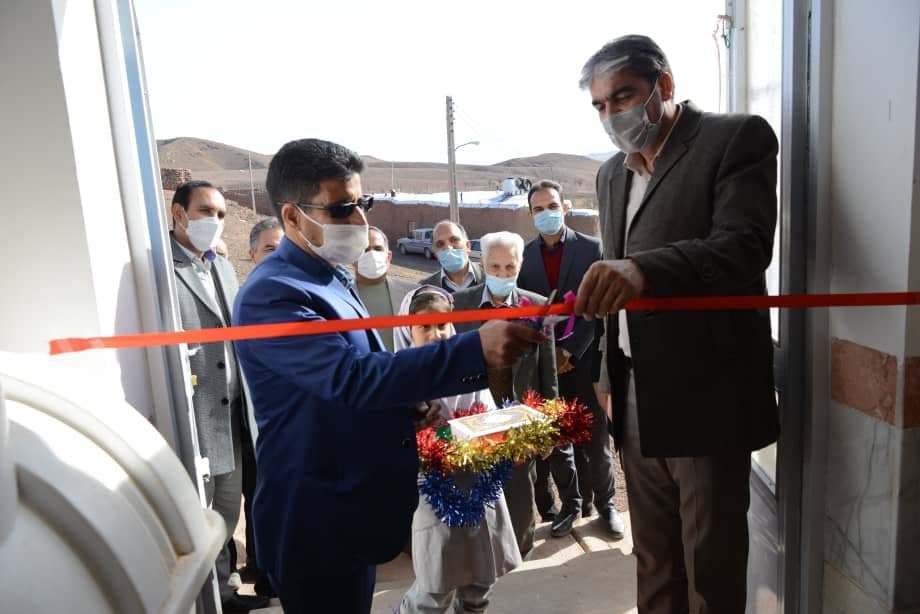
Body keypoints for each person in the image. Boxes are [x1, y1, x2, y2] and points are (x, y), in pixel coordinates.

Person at [232, 138, 544, 614]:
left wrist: (408, 405)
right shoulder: (273, 293)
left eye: (363, 204)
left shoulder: (328, 275)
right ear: (292, 217)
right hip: (315, 516)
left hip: (351, 507)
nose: (359, 220)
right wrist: (473, 349)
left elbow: (352, 376)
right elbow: (351, 378)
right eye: (342, 209)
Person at [576, 35, 779, 613]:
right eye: (599, 105)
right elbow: (612, 276)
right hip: (634, 392)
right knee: (654, 558)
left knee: (710, 564)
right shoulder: (610, 175)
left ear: (663, 86)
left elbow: (743, 248)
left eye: (622, 97)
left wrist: (645, 272)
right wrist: (607, 375)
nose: (611, 115)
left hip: (707, 395)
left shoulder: (734, 139)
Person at [169, 180, 268, 613]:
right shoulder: (163, 268)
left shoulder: (223, 268)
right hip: (196, 414)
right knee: (199, 514)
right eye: (206, 211)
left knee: (227, 512)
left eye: (221, 215)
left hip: (234, 413)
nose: (215, 221)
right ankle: (209, 599)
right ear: (178, 214)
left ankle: (225, 593)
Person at [394, 286, 521, 614]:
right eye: (424, 327)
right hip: (436, 495)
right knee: (436, 584)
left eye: (442, 325)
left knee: (481, 578)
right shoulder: (400, 380)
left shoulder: (470, 370)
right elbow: (393, 439)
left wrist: (509, 434)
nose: (436, 334)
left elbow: (490, 417)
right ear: (406, 331)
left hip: (480, 487)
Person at [518, 180, 625, 539]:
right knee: (554, 437)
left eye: (552, 206)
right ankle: (570, 505)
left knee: (595, 436)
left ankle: (607, 505)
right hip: (544, 363)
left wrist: (570, 350)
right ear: (530, 214)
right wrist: (550, 355)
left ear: (565, 208)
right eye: (538, 209)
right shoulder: (525, 257)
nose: (546, 213)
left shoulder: (592, 249)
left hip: (585, 359)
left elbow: (600, 306)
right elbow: (525, 311)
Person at [453, 231, 566, 555]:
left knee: (519, 496)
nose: (502, 274)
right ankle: (482, 556)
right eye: (495, 267)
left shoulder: (538, 306)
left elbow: (548, 371)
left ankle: (520, 553)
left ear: (520, 265)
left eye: (509, 267)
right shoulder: (459, 304)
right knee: (477, 492)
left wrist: (549, 425)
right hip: (475, 420)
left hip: (519, 420)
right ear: (483, 263)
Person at [354, 225, 418, 351]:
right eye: (365, 249)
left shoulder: (413, 293)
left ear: (388, 257)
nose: (372, 254)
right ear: (352, 257)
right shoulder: (339, 296)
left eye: (378, 249)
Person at [420, 220, 484, 292]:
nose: (448, 247)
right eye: (440, 244)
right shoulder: (425, 289)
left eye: (454, 240)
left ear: (467, 246)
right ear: (436, 254)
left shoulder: (490, 277)